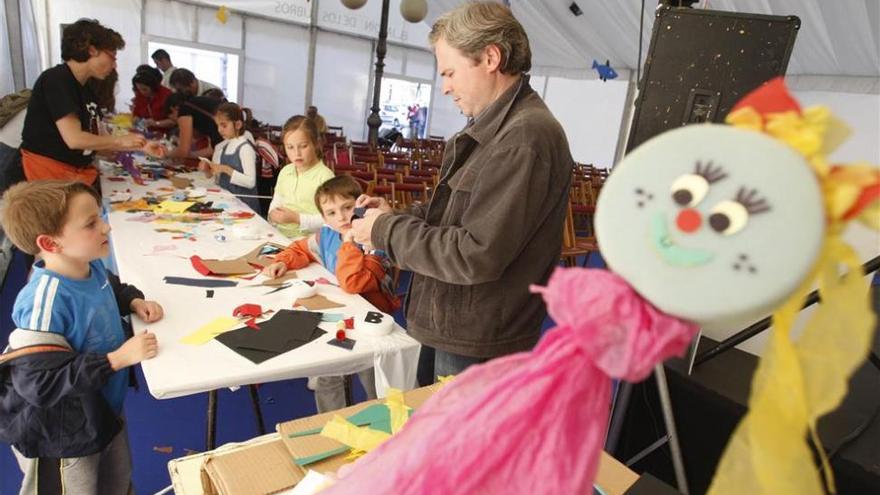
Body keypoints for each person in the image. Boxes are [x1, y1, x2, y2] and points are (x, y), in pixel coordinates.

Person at [351, 2, 574, 383]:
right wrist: (392, 216)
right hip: (454, 322)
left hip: (476, 336)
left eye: (450, 72)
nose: (445, 86)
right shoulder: (503, 128)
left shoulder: (524, 137)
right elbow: (452, 216)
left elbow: (475, 255)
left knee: (456, 439)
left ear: (490, 57)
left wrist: (385, 231)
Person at [0, 180, 165, 494]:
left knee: (116, 479)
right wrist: (117, 360)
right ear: (51, 244)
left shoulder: (89, 265)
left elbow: (111, 288)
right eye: (91, 223)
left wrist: (133, 301)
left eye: (100, 217)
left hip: (102, 407)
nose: (105, 228)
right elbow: (39, 383)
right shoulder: (45, 301)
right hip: (65, 431)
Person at [262, 175, 400, 412]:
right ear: (324, 218)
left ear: (361, 205)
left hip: (372, 327)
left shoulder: (374, 242)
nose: (342, 217)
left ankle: (383, 419)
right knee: (327, 372)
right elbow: (299, 248)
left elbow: (352, 283)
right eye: (332, 213)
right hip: (338, 317)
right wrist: (283, 261)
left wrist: (348, 243)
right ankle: (330, 421)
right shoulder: (326, 235)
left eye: (347, 208)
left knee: (374, 378)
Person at [19, 19, 164, 184]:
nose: (114, 65)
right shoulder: (57, 79)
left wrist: (141, 145)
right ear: (92, 50)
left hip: (71, 172)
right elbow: (75, 139)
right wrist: (120, 140)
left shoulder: (86, 89)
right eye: (112, 57)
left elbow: (98, 140)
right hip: (47, 174)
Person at [267, 115, 334, 238]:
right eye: (290, 147)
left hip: (309, 242)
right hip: (279, 235)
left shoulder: (325, 177)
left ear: (316, 144)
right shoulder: (285, 172)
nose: (296, 153)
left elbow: (331, 219)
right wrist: (272, 213)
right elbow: (277, 201)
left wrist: (297, 219)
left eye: (303, 146)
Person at [200, 102, 260, 212]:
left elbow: (250, 182)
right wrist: (207, 170)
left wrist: (225, 169)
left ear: (238, 125)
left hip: (245, 207)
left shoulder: (245, 148)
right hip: (228, 205)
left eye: (224, 125)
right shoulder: (224, 147)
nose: (219, 130)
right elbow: (217, 177)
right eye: (217, 125)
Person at [163, 92, 223, 158]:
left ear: (174, 108)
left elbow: (183, 151)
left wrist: (163, 155)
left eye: (174, 120)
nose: (178, 124)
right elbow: (211, 151)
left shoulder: (184, 109)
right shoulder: (199, 106)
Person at [131, 65, 174, 133]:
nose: (142, 92)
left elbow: (173, 121)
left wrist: (156, 123)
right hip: (146, 132)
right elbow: (137, 113)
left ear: (153, 86)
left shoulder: (166, 95)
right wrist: (136, 119)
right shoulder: (140, 95)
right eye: (139, 89)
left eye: (145, 89)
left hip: (164, 133)